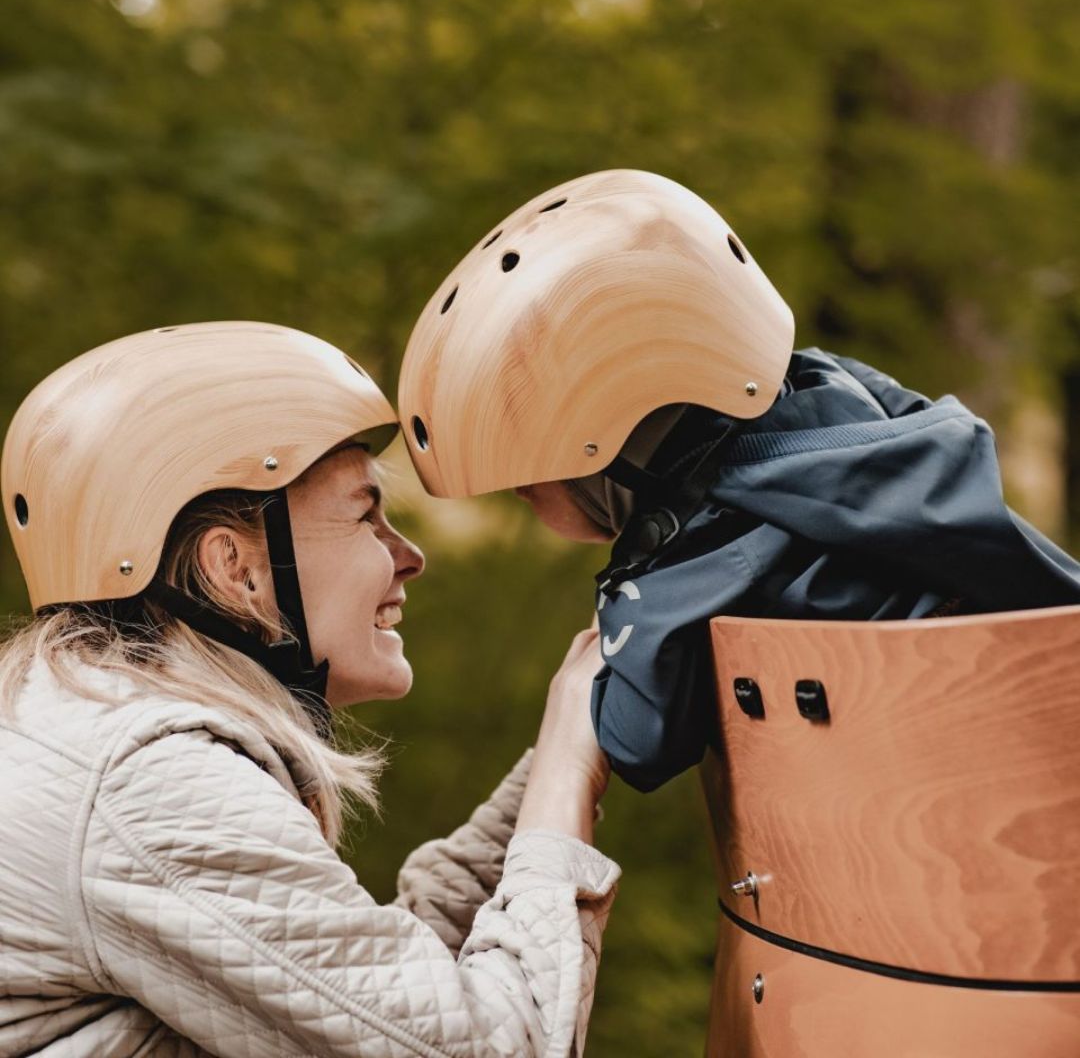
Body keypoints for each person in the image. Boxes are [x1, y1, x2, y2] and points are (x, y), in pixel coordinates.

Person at [0, 320, 618, 1057]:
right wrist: (568, 769)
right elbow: (485, 1046)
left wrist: (582, 732)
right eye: (365, 515)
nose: (410, 555)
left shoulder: (85, 727)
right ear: (236, 570)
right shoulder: (151, 784)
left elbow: (361, 999)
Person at [397, 168, 1080, 793]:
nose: (520, 490)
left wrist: (624, 594)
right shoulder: (852, 421)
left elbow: (637, 743)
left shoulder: (719, 554)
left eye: (529, 474)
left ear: (618, 433)